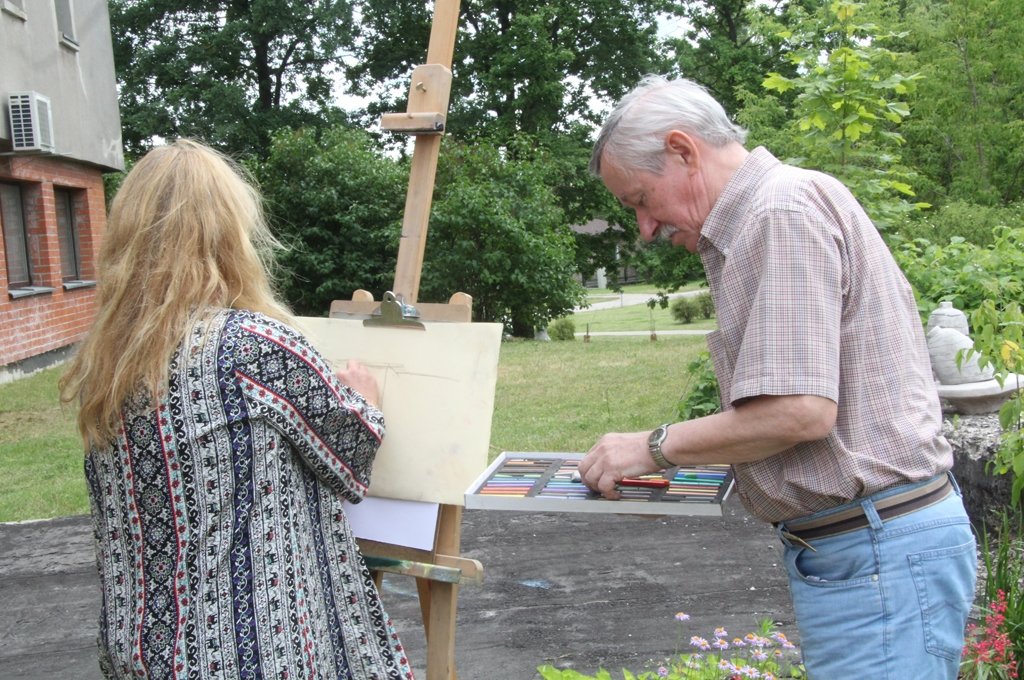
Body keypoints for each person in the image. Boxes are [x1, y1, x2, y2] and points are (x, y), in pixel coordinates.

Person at [578, 75, 976, 679]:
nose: (645, 227)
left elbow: (799, 412)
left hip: (877, 552)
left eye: (639, 198)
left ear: (684, 152)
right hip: (871, 548)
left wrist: (652, 447)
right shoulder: (776, 209)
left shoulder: (777, 213)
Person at [59, 139, 414, 679]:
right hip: (252, 653)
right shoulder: (251, 346)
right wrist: (366, 400)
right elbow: (350, 455)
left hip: (138, 650)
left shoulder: (108, 363)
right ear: (228, 234)